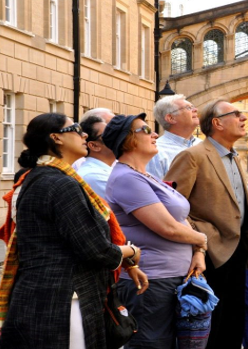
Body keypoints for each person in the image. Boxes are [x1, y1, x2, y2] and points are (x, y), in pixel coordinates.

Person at [0, 113, 146, 349]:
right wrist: (131, 252)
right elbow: (95, 250)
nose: (84, 134)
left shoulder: (42, 177)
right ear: (56, 137)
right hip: (63, 301)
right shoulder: (59, 183)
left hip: (46, 295)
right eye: (76, 129)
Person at [103, 113, 207, 348]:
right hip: (152, 281)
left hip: (173, 278)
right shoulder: (126, 178)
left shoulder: (145, 175)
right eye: (145, 129)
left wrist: (198, 250)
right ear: (127, 140)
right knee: (151, 344)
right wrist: (203, 239)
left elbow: (181, 219)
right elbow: (168, 228)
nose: (155, 134)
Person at [165, 100, 248, 349]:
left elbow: (241, 206)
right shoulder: (192, 156)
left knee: (234, 323)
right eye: (236, 114)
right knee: (212, 328)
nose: (243, 118)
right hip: (211, 252)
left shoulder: (233, 156)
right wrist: (199, 240)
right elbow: (172, 206)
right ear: (217, 123)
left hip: (240, 252)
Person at [146, 94, 201, 180]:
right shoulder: (156, 152)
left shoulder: (203, 145)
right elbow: (155, 190)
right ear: (171, 118)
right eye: (188, 108)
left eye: (193, 107)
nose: (195, 110)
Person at [77, 115, 116, 198]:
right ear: (94, 146)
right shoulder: (94, 176)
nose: (115, 136)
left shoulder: (108, 169)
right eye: (108, 134)